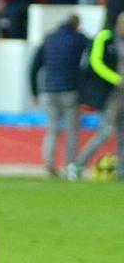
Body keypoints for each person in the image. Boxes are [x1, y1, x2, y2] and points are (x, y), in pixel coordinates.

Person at [30, 16, 87, 177]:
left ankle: (49, 162)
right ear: (77, 25)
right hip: (70, 89)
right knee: (72, 130)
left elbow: (34, 65)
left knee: (53, 129)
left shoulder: (49, 39)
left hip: (49, 89)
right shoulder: (78, 39)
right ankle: (71, 165)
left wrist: (34, 91)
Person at [74, 13, 124, 180]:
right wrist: (116, 79)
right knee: (105, 132)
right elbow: (95, 62)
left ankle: (120, 172)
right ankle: (78, 166)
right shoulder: (105, 37)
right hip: (110, 93)